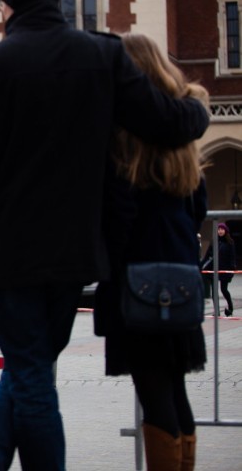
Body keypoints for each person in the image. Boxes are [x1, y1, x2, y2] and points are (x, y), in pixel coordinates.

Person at [0, 0, 210, 470]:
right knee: (32, 367)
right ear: (59, 3)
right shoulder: (101, 54)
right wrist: (194, 109)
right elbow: (164, 120)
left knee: (30, 375)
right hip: (75, 251)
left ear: (12, 7)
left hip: (10, 256)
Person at [94, 32, 209, 471]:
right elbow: (197, 205)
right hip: (179, 272)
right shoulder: (180, 136)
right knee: (175, 390)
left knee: (154, 390)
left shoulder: (124, 136)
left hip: (136, 278)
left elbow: (119, 212)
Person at [201, 222, 236, 317]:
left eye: (222, 229)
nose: (220, 231)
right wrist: (200, 265)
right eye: (219, 229)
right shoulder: (214, 242)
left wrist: (232, 269)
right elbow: (207, 256)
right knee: (214, 292)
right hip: (214, 269)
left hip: (224, 269)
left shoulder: (230, 242)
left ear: (225, 230)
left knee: (224, 290)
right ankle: (217, 311)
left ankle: (230, 308)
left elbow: (232, 257)